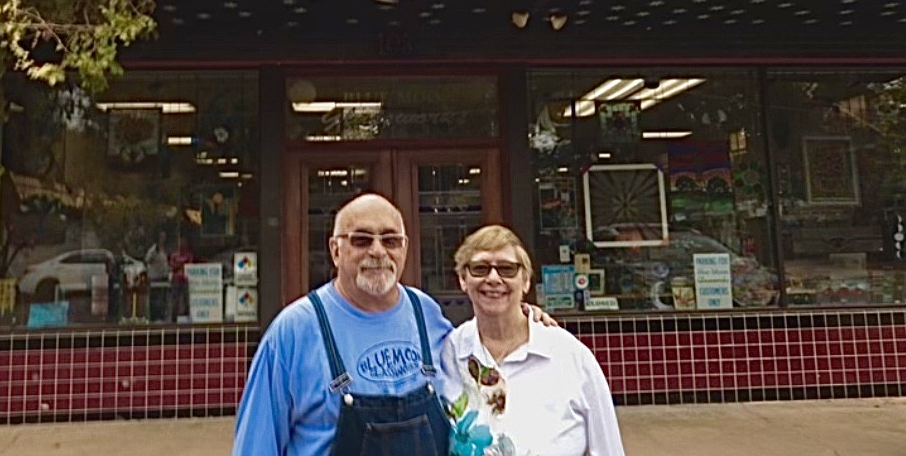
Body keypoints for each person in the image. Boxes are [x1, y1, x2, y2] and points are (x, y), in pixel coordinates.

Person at [232, 193, 555, 456]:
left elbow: (482, 358)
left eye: (390, 240)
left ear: (405, 248)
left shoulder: (425, 312)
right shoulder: (293, 331)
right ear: (335, 250)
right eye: (361, 240)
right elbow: (256, 445)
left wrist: (522, 317)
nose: (377, 251)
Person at [440, 225, 626, 456]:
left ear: (526, 281)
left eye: (507, 269)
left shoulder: (569, 356)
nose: (493, 278)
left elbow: (607, 448)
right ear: (462, 279)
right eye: (480, 268)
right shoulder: (449, 352)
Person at [145, 231, 171, 322]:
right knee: (155, 299)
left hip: (164, 277)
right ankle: (154, 317)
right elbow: (147, 260)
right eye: (161, 237)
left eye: (164, 237)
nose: (163, 239)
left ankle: (162, 316)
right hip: (155, 278)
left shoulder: (165, 249)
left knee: (163, 299)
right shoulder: (154, 249)